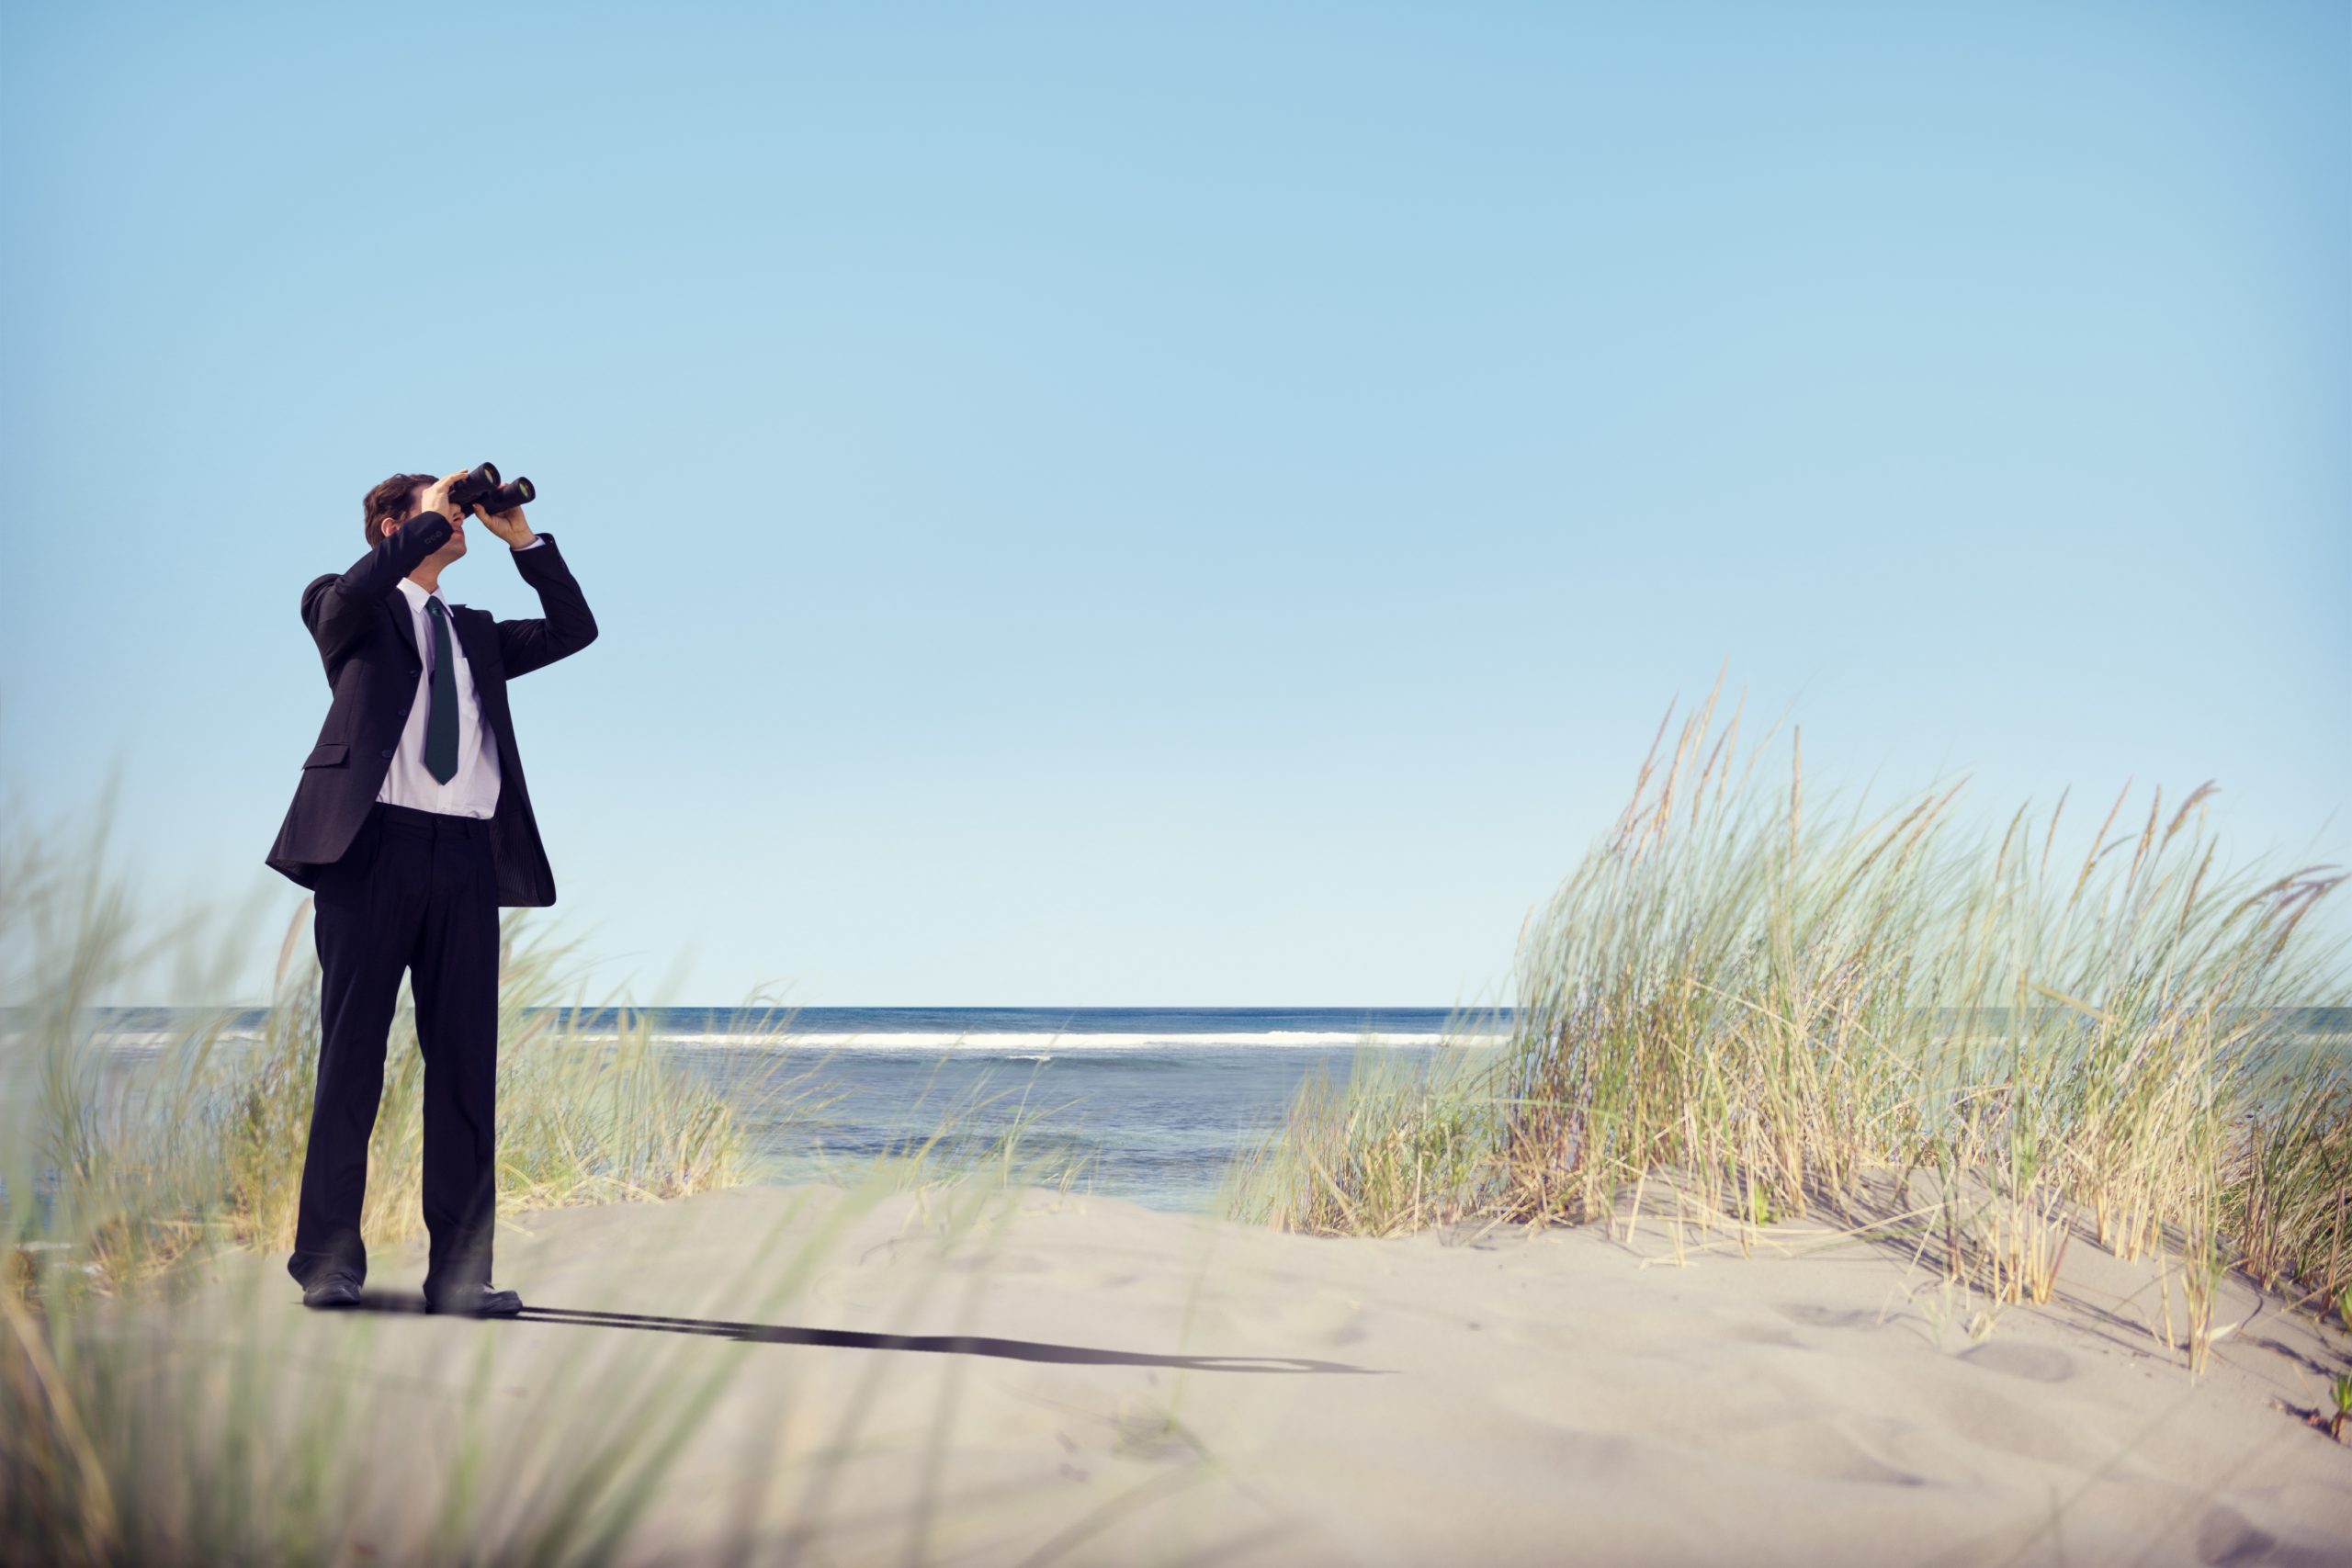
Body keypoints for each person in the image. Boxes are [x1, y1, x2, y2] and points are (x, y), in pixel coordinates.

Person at [264, 467, 598, 1314]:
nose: (457, 519)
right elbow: (354, 588)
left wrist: (521, 539)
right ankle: (329, 1260)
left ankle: (460, 1272)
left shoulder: (475, 632)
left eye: (459, 509)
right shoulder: (345, 607)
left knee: (462, 1072)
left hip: (465, 861)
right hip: (371, 848)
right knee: (352, 1063)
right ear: (390, 528)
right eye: (439, 509)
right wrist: (432, 511)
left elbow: (576, 629)